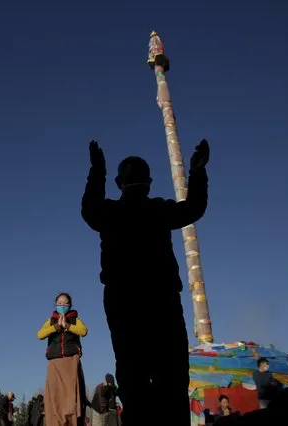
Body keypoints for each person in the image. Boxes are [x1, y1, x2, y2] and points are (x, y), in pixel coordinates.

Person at [80, 139, 209, 426]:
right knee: (172, 377)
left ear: (118, 182)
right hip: (161, 301)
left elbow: (89, 208)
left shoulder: (110, 213)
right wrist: (198, 171)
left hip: (124, 302)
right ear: (149, 183)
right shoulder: (159, 210)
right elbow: (194, 208)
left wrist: (96, 170)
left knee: (133, 376)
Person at [37, 292, 88, 426]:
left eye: (65, 303)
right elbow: (40, 335)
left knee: (71, 399)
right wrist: (56, 327)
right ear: (55, 305)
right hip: (55, 362)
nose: (62, 305)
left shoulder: (76, 319)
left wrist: (67, 326)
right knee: (55, 398)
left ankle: (72, 422)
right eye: (59, 303)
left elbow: (83, 331)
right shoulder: (50, 320)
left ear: (70, 305)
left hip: (71, 362)